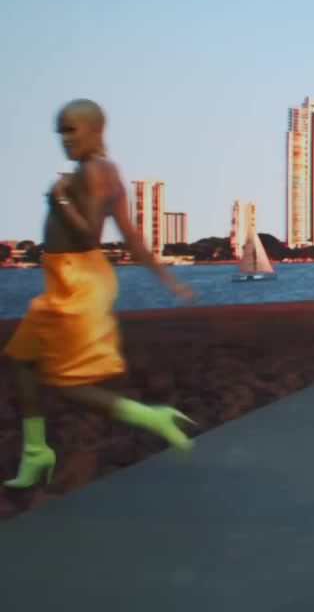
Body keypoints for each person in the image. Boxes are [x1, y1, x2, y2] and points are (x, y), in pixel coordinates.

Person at [3, 99, 199, 489]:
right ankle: (36, 451)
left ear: (96, 130)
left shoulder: (92, 172)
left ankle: (152, 417)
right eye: (60, 131)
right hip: (65, 280)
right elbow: (132, 237)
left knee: (70, 386)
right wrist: (168, 280)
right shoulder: (106, 171)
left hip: (77, 284)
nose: (64, 138)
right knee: (21, 360)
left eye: (71, 129)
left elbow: (91, 234)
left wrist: (60, 198)